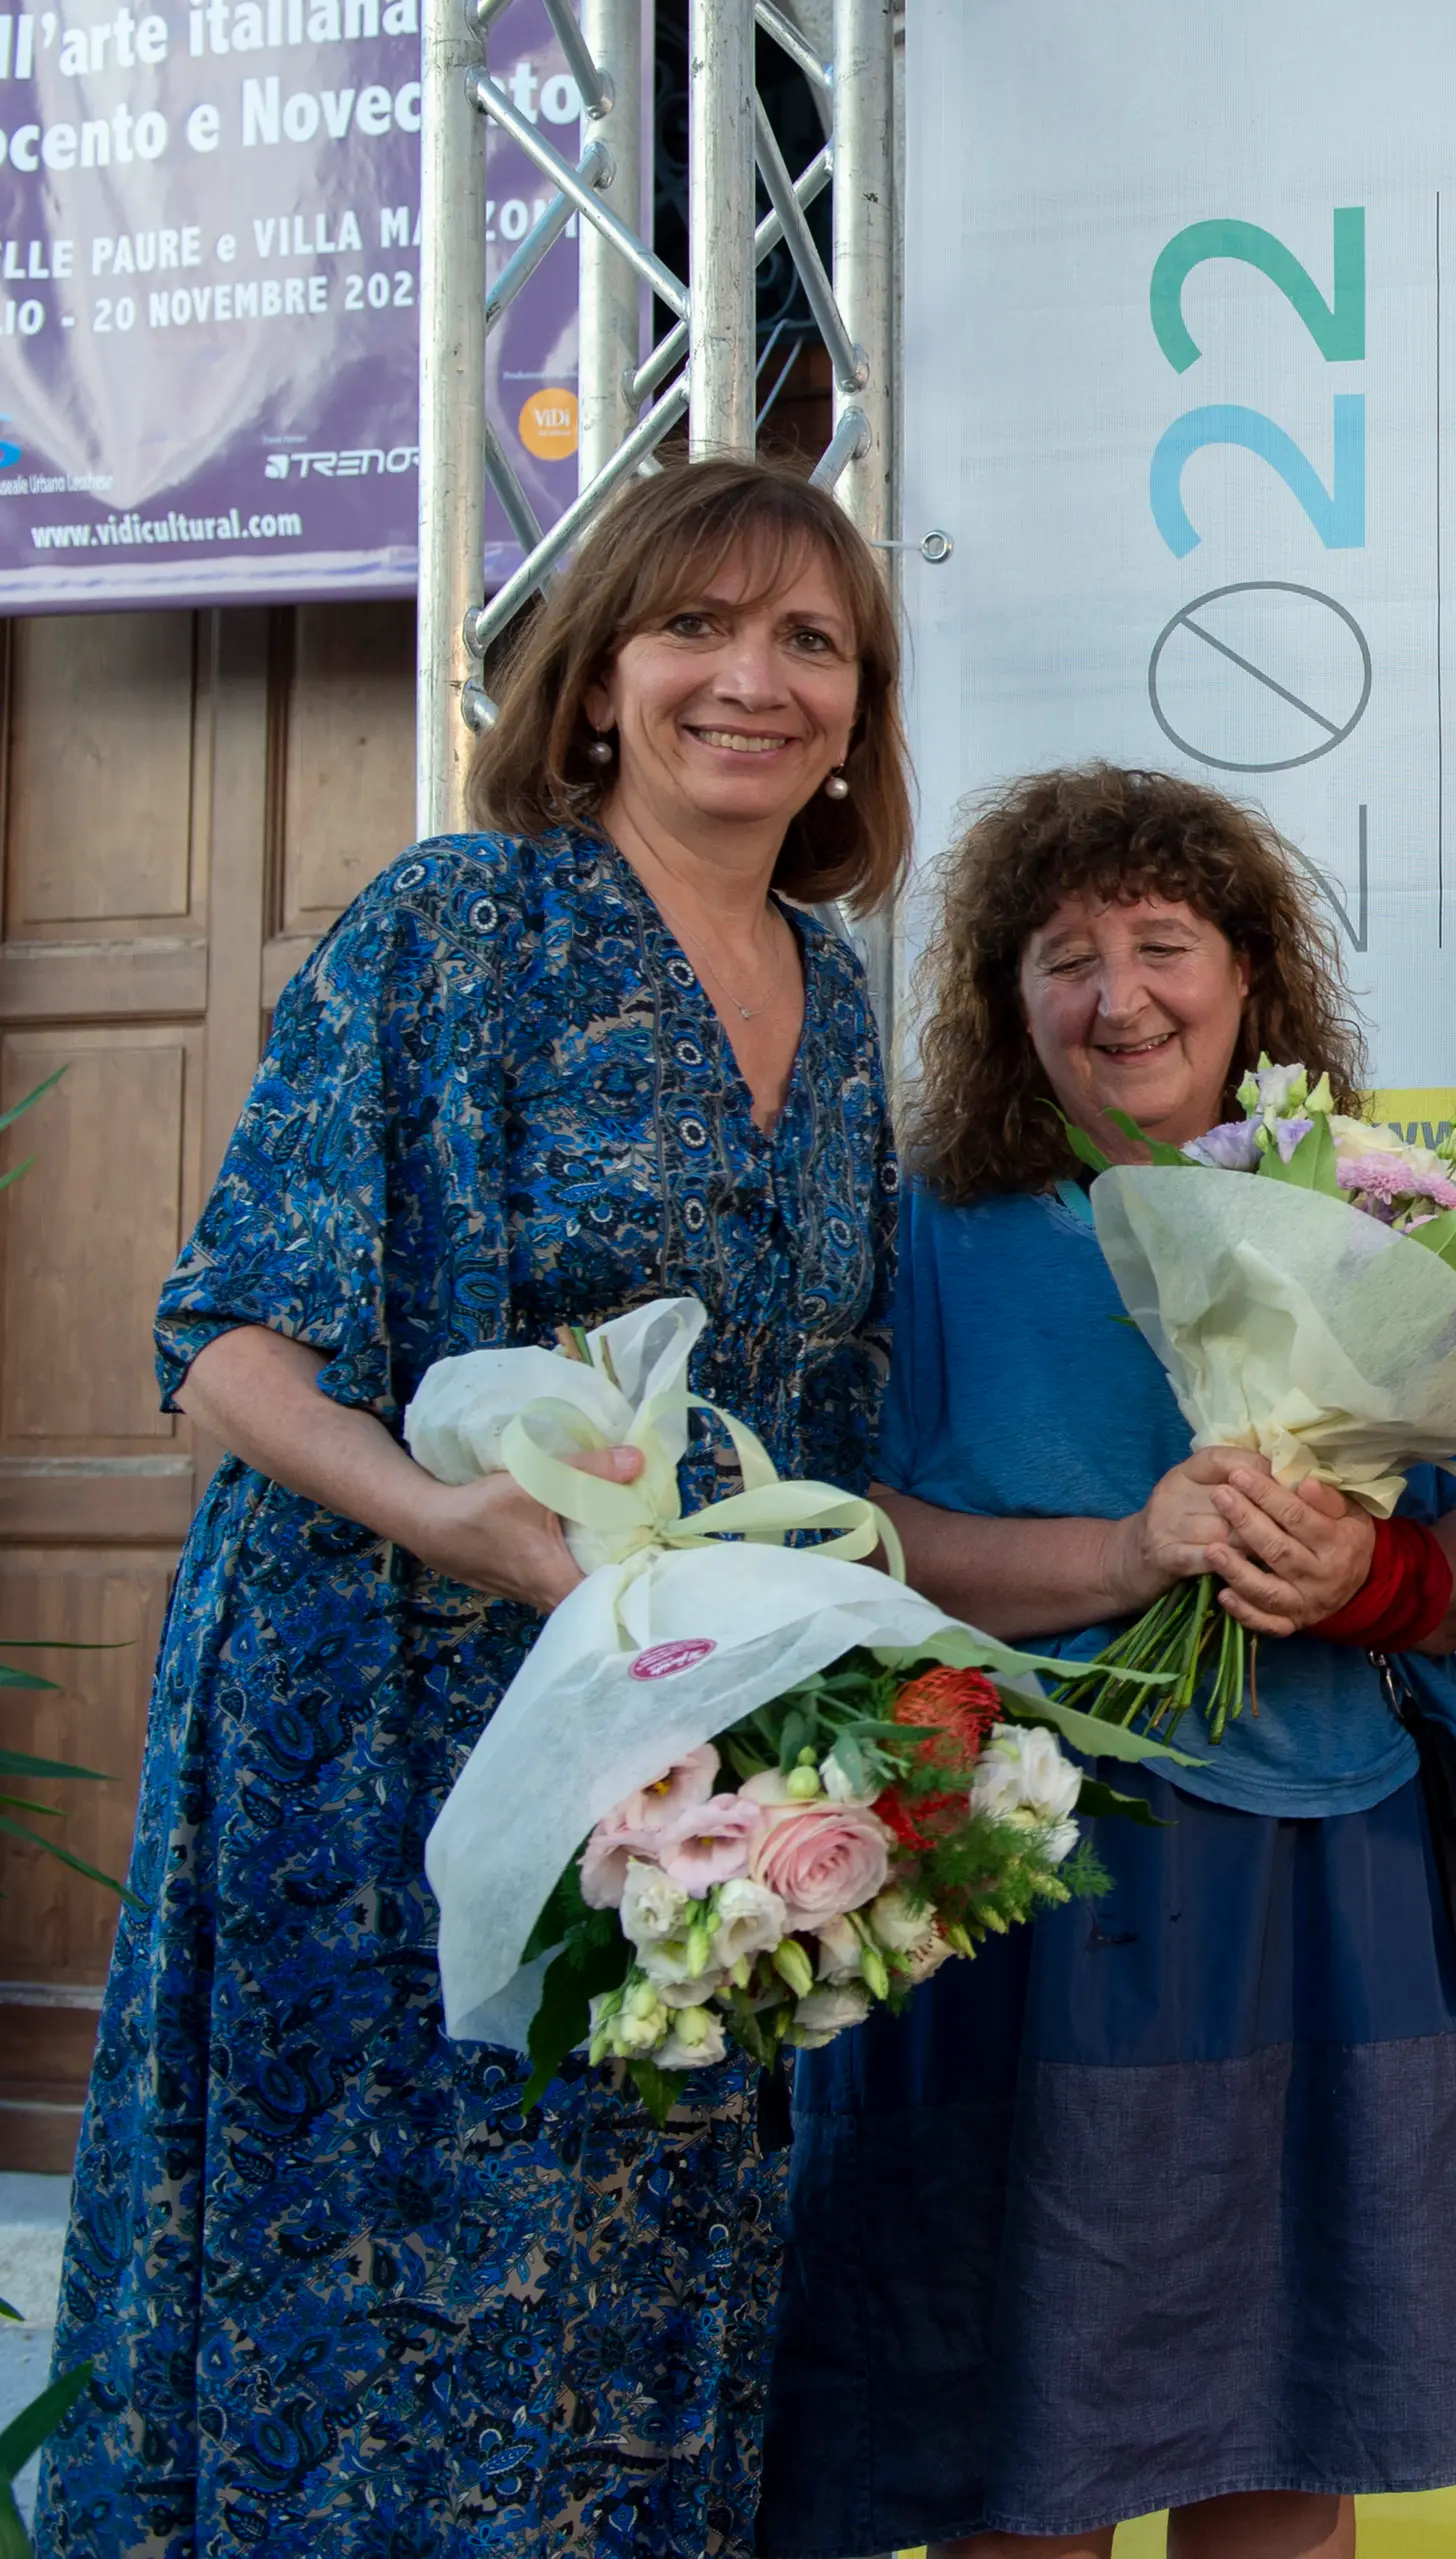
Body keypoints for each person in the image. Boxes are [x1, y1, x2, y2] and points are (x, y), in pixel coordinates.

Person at [41, 459, 907, 2555]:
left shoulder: (843, 989)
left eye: (812, 641)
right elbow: (231, 1341)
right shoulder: (461, 917)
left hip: (673, 1758)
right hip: (379, 1745)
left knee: (639, 2253)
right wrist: (455, 1532)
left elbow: (818, 1427)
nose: (753, 679)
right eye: (696, 625)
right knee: (368, 2314)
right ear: (597, 678)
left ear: (860, 715)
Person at [757, 764, 1456, 2559]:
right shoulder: (924, 1235)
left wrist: (1368, 1572)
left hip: (1322, 1871)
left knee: (1293, 2430)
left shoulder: (1371, 1214)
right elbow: (846, 1533)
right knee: (1025, 2458)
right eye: (1067, 956)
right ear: (1000, 999)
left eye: (1164, 943)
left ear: (1251, 975)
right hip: (1028, 1885)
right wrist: (1127, 1555)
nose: (1121, 996)